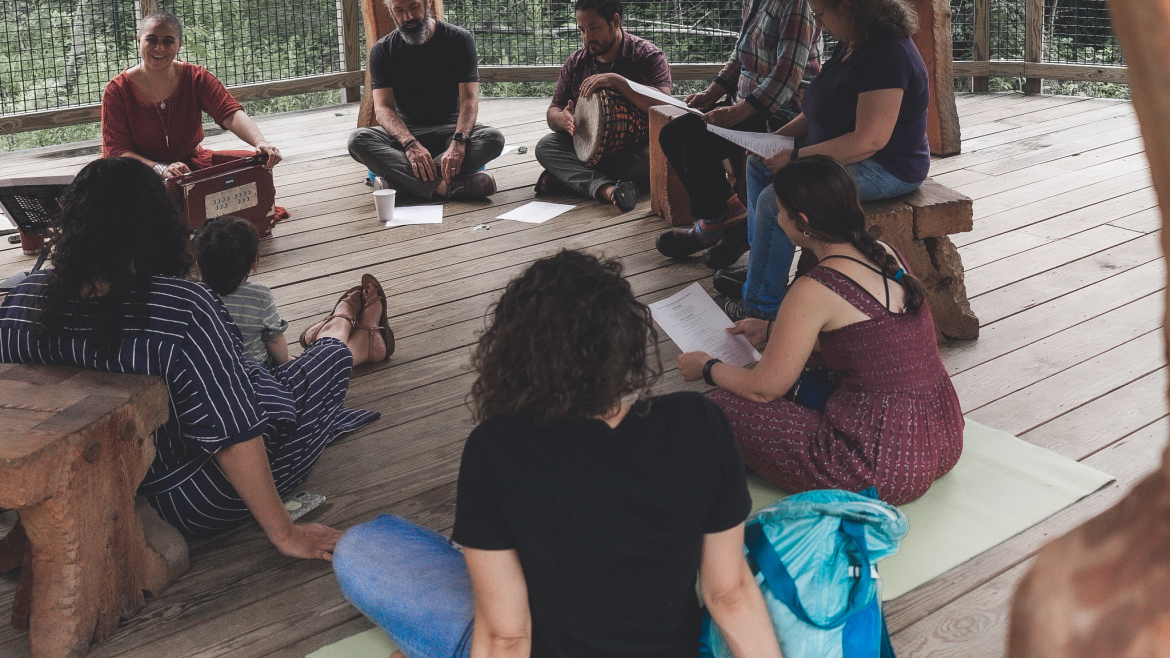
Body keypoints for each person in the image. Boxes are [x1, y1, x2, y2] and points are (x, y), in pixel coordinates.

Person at [332, 250, 783, 658]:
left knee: (360, 547)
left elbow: (508, 639)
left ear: (515, 355)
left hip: (526, 634)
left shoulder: (497, 449)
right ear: (627, 346)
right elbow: (730, 594)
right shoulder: (697, 422)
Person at [0, 157, 388, 560]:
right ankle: (343, 333)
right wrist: (285, 533)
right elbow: (234, 435)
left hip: (59, 489)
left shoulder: (24, 298)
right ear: (157, 223)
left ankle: (347, 336)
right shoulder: (182, 306)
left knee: (260, 377)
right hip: (191, 498)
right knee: (314, 376)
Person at [679, 156, 962, 505]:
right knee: (808, 372)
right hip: (942, 436)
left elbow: (764, 389)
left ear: (803, 222)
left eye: (781, 211)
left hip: (880, 468)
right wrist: (771, 330)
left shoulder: (816, 286)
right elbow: (868, 341)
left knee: (718, 408)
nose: (777, 218)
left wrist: (707, 367)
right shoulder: (886, 253)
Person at [716, 0, 931, 321]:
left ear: (849, 7)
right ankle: (760, 276)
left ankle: (761, 306)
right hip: (842, 152)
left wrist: (796, 157)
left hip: (887, 168)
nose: (819, 23)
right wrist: (778, 141)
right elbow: (814, 109)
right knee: (758, 164)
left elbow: (869, 141)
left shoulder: (889, 53)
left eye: (821, 14)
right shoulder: (853, 43)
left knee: (775, 200)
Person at [654, 0, 820, 270]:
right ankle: (726, 215)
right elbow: (741, 56)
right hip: (745, 104)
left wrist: (733, 114)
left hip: (779, 113)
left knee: (697, 149)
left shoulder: (796, 4)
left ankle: (713, 227)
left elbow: (787, 76)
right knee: (672, 134)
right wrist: (712, 94)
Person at [347, 0, 505, 201]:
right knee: (358, 140)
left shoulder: (459, 39)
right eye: (399, 11)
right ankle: (445, 186)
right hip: (406, 136)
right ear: (391, 11)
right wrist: (409, 143)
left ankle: (403, 185)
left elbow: (469, 100)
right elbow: (383, 109)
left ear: (428, 3)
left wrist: (458, 142)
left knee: (493, 138)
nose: (408, 17)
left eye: (413, 7)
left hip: (451, 131)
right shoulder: (382, 50)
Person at [101, 12, 284, 180]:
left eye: (168, 41)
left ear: (179, 44)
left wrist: (260, 142)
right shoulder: (117, 90)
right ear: (138, 41)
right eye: (152, 40)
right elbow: (118, 151)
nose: (160, 48)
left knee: (256, 164)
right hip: (141, 171)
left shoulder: (196, 77)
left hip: (190, 164)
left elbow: (230, 112)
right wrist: (160, 169)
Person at [533, 0, 672, 212]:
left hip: (635, 151)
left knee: (655, 159)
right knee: (546, 146)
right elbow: (553, 110)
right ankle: (606, 188)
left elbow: (665, 103)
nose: (587, 37)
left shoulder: (647, 55)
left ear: (614, 21)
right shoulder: (576, 62)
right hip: (588, 147)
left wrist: (618, 82)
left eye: (594, 27)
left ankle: (571, 177)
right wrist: (561, 119)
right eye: (582, 29)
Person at [193, 216, 291, 368]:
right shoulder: (260, 297)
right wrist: (285, 363)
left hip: (211, 371)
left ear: (198, 264)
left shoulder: (194, 297)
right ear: (253, 262)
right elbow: (274, 340)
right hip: (256, 372)